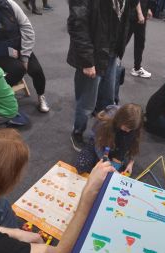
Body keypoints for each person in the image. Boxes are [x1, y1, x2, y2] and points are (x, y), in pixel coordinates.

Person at [67, 0, 140, 152]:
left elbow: (125, 15)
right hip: (92, 56)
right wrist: (87, 61)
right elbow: (77, 25)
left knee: (108, 100)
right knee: (87, 103)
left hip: (111, 52)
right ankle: (77, 133)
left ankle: (103, 133)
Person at [76, 103, 143, 174]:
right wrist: (106, 161)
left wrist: (131, 162)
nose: (128, 131)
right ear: (121, 120)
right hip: (99, 143)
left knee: (110, 175)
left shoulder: (134, 125)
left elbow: (134, 143)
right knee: (81, 166)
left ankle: (113, 162)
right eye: (126, 128)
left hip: (116, 149)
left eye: (131, 129)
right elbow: (97, 144)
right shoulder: (106, 121)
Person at [127, 0, 153, 78]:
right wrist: (139, 12)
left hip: (141, 11)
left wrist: (148, 8)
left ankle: (137, 68)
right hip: (133, 12)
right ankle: (111, 63)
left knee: (140, 42)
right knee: (123, 40)